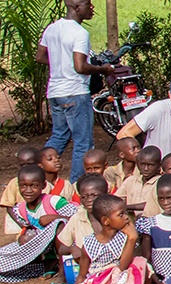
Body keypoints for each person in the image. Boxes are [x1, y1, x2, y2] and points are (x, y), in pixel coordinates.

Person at [38, 0, 113, 182]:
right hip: (75, 92)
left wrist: (59, 64)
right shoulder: (80, 32)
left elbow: (40, 57)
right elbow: (80, 67)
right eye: (88, 4)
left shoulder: (52, 28)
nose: (92, 8)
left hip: (55, 92)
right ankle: (77, 185)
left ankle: (35, 173)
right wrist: (102, 69)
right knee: (83, 142)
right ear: (76, 7)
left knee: (59, 135)